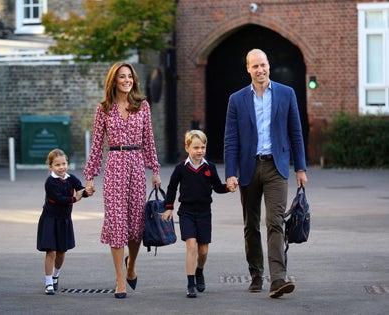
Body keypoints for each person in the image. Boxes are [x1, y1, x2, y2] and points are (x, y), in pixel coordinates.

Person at [224, 48, 308, 298]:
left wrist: (301, 167)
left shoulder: (286, 93)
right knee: (251, 225)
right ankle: (256, 274)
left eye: (263, 65)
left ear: (269, 65)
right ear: (247, 69)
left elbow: (296, 132)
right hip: (249, 168)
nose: (260, 70)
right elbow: (231, 139)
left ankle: (278, 279)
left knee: (275, 222)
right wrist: (230, 172)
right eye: (255, 66)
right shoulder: (236, 99)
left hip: (276, 167)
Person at [83, 62, 161, 299]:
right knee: (117, 224)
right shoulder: (103, 109)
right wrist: (89, 176)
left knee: (136, 226)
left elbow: (149, 140)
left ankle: (131, 266)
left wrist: (155, 170)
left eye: (130, 76)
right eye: (122, 77)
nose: (127, 80)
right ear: (113, 81)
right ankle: (119, 280)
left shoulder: (142, 106)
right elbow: (96, 145)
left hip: (136, 165)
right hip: (115, 165)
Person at [163, 130, 230, 298]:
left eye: (203, 147)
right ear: (187, 148)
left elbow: (217, 187)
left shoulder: (210, 167)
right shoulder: (180, 168)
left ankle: (199, 271)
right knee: (191, 246)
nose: (200, 151)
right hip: (186, 212)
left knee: (203, 250)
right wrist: (169, 207)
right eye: (196, 147)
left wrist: (228, 187)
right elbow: (171, 188)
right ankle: (190, 282)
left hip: (204, 213)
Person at [37, 149, 88, 295]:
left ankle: (55, 275)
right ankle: (48, 283)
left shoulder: (71, 178)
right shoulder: (50, 182)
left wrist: (87, 191)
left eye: (64, 163)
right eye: (57, 165)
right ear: (51, 166)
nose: (62, 167)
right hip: (50, 219)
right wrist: (75, 199)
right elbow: (58, 199)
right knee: (51, 251)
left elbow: (81, 189)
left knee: (61, 252)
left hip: (64, 220)